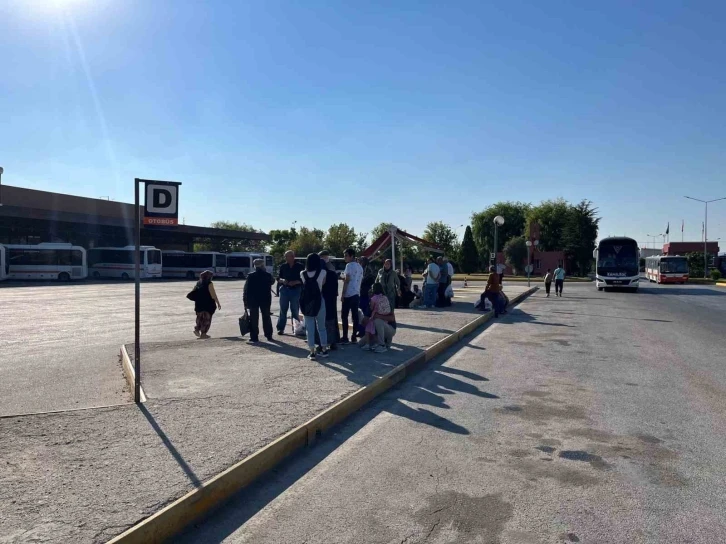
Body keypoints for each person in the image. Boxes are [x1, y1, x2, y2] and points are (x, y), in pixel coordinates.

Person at [300, 253, 329, 360]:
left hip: (307, 302)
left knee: (310, 328)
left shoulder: (302, 273)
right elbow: (323, 284)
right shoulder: (323, 272)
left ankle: (312, 352)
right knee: (322, 327)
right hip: (319, 300)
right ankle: (324, 349)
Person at [243, 259, 275, 343]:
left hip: (253, 300)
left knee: (253, 318)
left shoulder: (250, 276)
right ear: (262, 265)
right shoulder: (267, 275)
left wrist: (245, 301)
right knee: (266, 317)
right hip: (265, 299)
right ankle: (269, 335)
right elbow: (273, 281)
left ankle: (254, 337)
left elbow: (246, 290)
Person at [276, 250, 304, 335]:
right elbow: (278, 278)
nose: (286, 258)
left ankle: (296, 329)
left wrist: (296, 282)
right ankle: (281, 328)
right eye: (285, 256)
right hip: (284, 290)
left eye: (287, 256)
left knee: (295, 310)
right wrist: (282, 280)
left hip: (296, 290)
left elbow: (304, 279)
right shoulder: (283, 266)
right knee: (283, 310)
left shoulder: (300, 266)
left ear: (292, 257)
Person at [317, 250, 340, 350]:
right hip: (330, 297)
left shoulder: (322, 270)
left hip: (325, 297)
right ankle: (333, 341)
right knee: (331, 318)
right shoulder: (331, 270)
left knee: (324, 319)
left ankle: (324, 342)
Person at [340, 248, 363, 344]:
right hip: (356, 293)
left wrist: (343, 294)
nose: (344, 257)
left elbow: (347, 280)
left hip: (348, 293)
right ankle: (354, 336)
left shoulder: (349, 265)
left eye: (346, 255)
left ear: (351, 256)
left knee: (344, 315)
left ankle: (345, 337)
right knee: (355, 316)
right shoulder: (360, 266)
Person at [361, 283, 391, 353]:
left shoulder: (373, 298)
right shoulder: (384, 297)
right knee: (373, 331)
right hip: (382, 317)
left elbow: (371, 308)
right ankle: (376, 344)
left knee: (368, 329)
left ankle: (368, 344)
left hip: (374, 317)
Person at [191, 270, 221, 339]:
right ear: (209, 277)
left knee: (199, 318)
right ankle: (203, 334)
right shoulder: (209, 284)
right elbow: (213, 295)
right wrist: (218, 303)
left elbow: (193, 292)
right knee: (206, 319)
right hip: (208, 305)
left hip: (199, 304)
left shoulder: (198, 283)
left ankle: (197, 329)